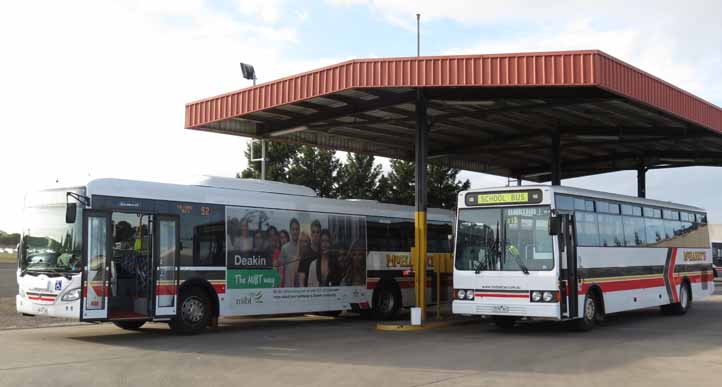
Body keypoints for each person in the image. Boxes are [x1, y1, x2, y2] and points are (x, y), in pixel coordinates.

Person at [298, 220, 322, 286]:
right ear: (311, 234)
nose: (315, 235)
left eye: (318, 232)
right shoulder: (305, 254)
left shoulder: (323, 253)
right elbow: (301, 280)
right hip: (309, 293)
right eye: (313, 232)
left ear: (320, 234)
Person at [280, 219, 301, 287]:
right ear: (290, 231)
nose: (295, 232)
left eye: (297, 229)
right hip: (288, 288)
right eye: (293, 229)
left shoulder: (303, 247)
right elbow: (281, 270)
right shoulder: (284, 248)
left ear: (299, 231)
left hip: (300, 288)